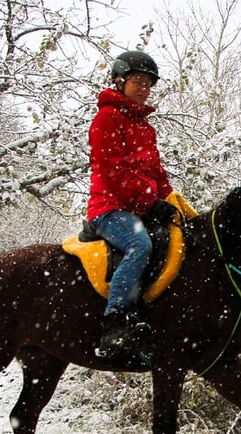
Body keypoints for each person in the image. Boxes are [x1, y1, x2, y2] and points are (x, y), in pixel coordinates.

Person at [87, 50, 177, 360]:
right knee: (140, 245)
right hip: (110, 208)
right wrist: (150, 203)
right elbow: (113, 171)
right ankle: (115, 321)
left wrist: (172, 202)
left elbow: (157, 174)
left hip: (141, 207)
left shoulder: (145, 128)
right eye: (138, 81)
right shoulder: (107, 118)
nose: (143, 88)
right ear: (120, 80)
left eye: (148, 83)